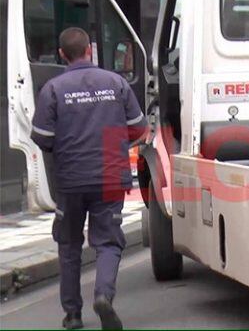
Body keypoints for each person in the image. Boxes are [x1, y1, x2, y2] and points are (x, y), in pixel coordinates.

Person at [31, 27, 148, 330]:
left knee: (69, 244)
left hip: (70, 179)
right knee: (108, 241)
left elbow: (42, 137)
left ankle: (72, 315)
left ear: (61, 54)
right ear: (90, 50)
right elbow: (138, 128)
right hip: (110, 175)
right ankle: (103, 297)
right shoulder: (116, 83)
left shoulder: (53, 89)